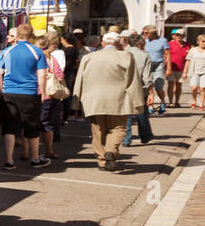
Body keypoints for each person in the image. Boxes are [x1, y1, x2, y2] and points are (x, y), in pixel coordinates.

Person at [73, 31, 143, 170]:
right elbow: (132, 80)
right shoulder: (126, 56)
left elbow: (79, 79)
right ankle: (110, 150)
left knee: (98, 130)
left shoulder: (89, 57)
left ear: (102, 43)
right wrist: (138, 102)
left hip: (93, 100)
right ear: (118, 43)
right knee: (118, 128)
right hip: (118, 99)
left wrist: (76, 101)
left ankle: (102, 160)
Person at [0, 24, 49, 169]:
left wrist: (2, 90)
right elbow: (42, 74)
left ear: (17, 35)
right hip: (29, 93)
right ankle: (35, 158)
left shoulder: (7, 51)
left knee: (9, 127)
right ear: (32, 36)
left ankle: (9, 160)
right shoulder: (37, 51)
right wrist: (42, 92)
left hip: (10, 93)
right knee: (32, 126)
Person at [122, 32, 154, 145]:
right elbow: (147, 76)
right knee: (142, 112)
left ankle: (126, 139)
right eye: (144, 42)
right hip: (140, 87)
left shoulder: (122, 53)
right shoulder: (144, 55)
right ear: (140, 43)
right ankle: (145, 136)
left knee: (127, 113)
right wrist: (151, 91)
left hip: (124, 86)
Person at [39, 31, 66, 160]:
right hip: (51, 94)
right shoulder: (51, 59)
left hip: (36, 93)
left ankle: (28, 151)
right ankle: (49, 150)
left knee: (34, 123)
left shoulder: (36, 56)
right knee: (48, 123)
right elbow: (60, 76)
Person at [142, 26, 168, 113]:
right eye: (143, 33)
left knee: (158, 86)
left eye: (146, 33)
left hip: (159, 64)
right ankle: (150, 106)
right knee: (149, 85)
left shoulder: (163, 40)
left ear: (153, 33)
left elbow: (167, 54)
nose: (144, 35)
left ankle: (162, 102)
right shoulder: (144, 41)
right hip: (147, 64)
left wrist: (169, 68)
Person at [166, 29, 189, 108]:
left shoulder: (187, 45)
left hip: (181, 69)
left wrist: (186, 71)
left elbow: (187, 59)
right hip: (171, 68)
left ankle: (177, 102)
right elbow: (165, 56)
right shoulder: (169, 44)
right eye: (177, 35)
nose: (178, 36)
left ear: (183, 36)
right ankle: (170, 102)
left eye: (180, 35)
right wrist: (166, 67)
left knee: (179, 85)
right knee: (170, 84)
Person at [187, 34, 205, 110]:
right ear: (198, 42)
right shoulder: (193, 50)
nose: (204, 43)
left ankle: (201, 103)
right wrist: (185, 72)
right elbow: (188, 60)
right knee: (194, 87)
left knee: (203, 88)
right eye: (203, 41)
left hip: (204, 72)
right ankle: (194, 100)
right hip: (194, 71)